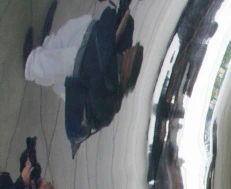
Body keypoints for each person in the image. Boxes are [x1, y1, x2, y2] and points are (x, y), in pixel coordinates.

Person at [24, 2, 144, 157]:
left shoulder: (111, 93)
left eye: (130, 56)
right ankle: (45, 48)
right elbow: (122, 32)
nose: (128, 53)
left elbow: (94, 82)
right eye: (131, 51)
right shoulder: (121, 58)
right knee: (74, 33)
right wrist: (122, 12)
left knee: (62, 62)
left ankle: (30, 64)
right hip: (84, 50)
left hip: (78, 72)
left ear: (128, 70)